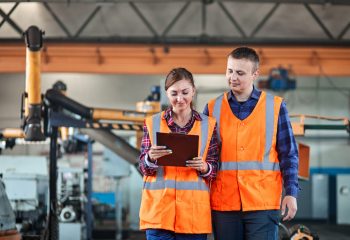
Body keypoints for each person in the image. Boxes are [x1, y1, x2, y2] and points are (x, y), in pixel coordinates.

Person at [204, 47, 299, 240]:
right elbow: (205, 155)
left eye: (240, 72)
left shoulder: (275, 106)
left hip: (262, 203)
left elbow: (288, 154)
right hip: (224, 203)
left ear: (255, 74)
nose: (233, 77)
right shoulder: (213, 108)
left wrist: (291, 192)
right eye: (229, 71)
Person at [139, 67, 219, 240]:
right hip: (159, 214)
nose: (180, 99)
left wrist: (205, 167)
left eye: (185, 92)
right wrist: (150, 158)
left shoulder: (208, 125)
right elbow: (143, 168)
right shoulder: (152, 123)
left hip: (193, 216)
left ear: (193, 91)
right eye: (174, 93)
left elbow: (215, 169)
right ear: (166, 93)